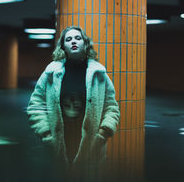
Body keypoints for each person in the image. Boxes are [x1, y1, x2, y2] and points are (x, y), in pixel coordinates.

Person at [27, 26, 120, 175]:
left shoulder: (99, 74)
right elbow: (35, 104)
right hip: (58, 142)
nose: (73, 42)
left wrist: (103, 133)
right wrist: (45, 134)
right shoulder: (51, 73)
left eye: (78, 38)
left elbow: (112, 107)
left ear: (85, 43)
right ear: (63, 46)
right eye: (68, 39)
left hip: (91, 144)